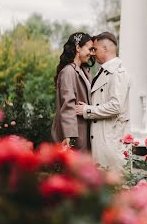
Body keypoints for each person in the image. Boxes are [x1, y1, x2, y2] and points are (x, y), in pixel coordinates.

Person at [75, 31, 130, 169]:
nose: (92, 53)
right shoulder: (104, 71)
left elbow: (116, 106)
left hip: (110, 143)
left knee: (113, 187)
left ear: (105, 49)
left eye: (95, 49)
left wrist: (87, 110)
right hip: (101, 142)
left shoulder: (118, 73)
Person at [51, 32, 94, 150]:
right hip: (75, 134)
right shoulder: (68, 72)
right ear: (78, 48)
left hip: (85, 130)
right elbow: (68, 105)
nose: (91, 53)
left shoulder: (84, 71)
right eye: (89, 49)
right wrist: (69, 135)